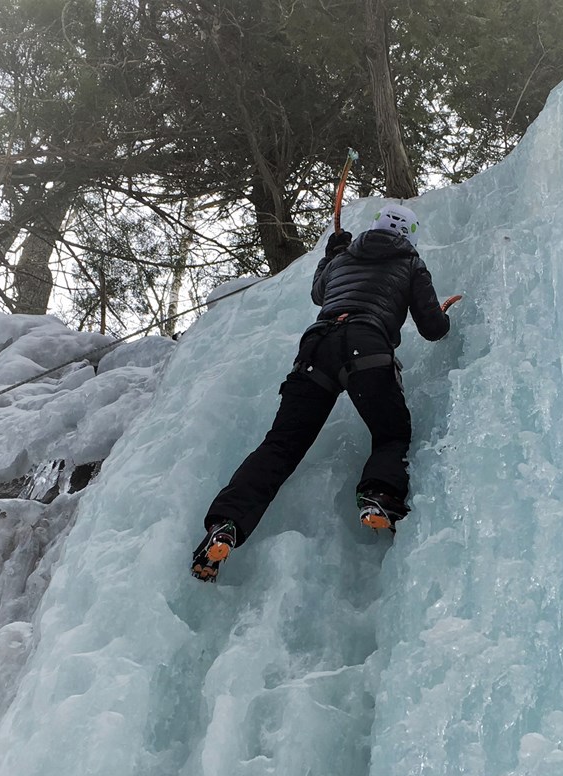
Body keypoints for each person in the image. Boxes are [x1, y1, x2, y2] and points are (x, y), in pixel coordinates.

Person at [192, 203, 453, 581]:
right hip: (367, 344)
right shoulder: (411, 262)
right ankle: (379, 496)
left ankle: (225, 525)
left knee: (280, 445)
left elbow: (319, 293)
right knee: (391, 433)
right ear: (409, 235)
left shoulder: (346, 254)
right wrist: (444, 315)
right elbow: (432, 328)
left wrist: (331, 253)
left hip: (317, 348)